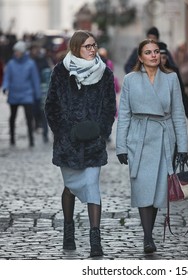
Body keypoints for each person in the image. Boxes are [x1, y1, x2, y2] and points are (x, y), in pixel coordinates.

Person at [45, 30, 116, 257]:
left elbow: (109, 107)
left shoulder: (105, 73)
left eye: (94, 45)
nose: (92, 49)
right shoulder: (61, 72)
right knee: (71, 187)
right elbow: (51, 106)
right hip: (68, 143)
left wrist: (102, 131)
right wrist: (62, 132)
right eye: (87, 46)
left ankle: (95, 239)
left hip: (94, 142)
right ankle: (68, 230)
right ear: (76, 48)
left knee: (93, 185)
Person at [116, 39, 188, 254]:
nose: (154, 55)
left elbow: (178, 113)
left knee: (158, 191)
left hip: (164, 138)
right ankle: (148, 237)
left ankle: (149, 234)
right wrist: (121, 146)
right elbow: (125, 114)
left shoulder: (171, 78)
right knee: (142, 187)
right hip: (140, 138)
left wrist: (182, 146)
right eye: (148, 52)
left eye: (156, 51)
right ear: (140, 57)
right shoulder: (130, 79)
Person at [2, 40, 41, 147]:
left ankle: (31, 139)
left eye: (18, 51)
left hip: (26, 94)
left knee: (29, 117)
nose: (16, 53)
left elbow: (35, 80)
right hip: (14, 93)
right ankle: (12, 139)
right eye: (15, 51)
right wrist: (5, 87)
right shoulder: (11, 64)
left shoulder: (30, 64)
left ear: (23, 52)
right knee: (12, 117)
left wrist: (37, 94)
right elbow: (7, 78)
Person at [158, 41, 188, 127]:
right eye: (158, 57)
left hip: (169, 118)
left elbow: (181, 94)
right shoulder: (145, 73)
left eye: (163, 57)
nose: (161, 60)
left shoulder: (173, 72)